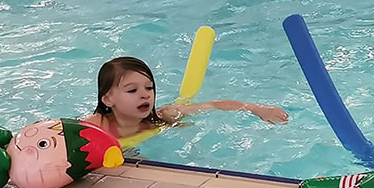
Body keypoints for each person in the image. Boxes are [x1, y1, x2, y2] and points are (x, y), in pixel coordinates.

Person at [83, 56, 287, 140]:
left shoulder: (163, 116)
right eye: (132, 90)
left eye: (149, 88)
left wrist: (255, 108)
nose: (145, 94)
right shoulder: (94, 127)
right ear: (108, 99)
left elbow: (214, 105)